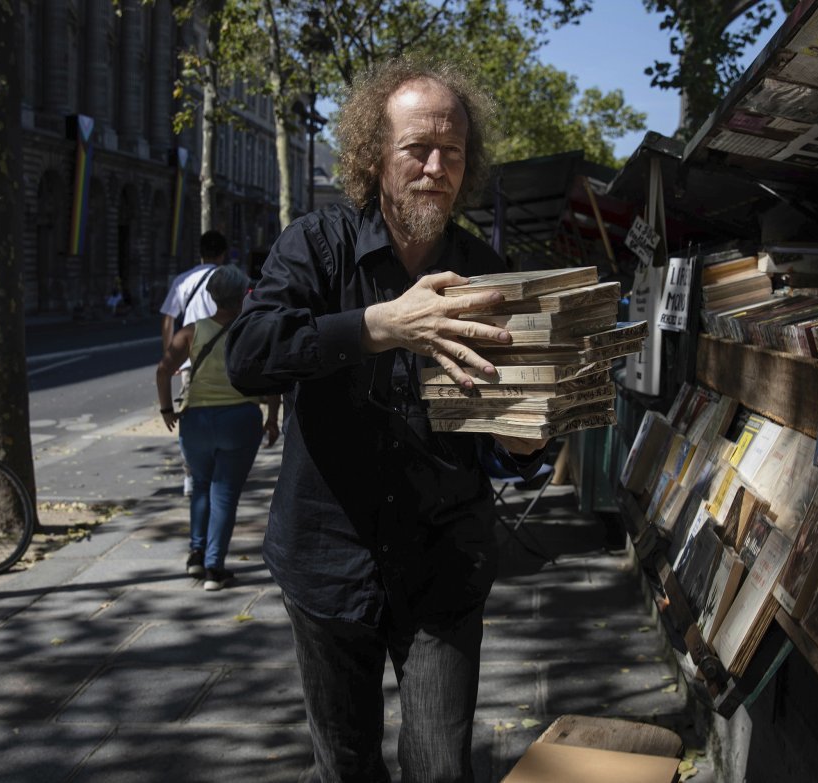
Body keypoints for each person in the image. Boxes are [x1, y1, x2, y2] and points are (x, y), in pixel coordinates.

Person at [224, 56, 549, 782]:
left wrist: (525, 443)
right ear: (374, 155)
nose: (437, 167)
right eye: (417, 149)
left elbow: (517, 430)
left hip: (444, 565)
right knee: (346, 766)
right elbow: (247, 355)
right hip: (327, 563)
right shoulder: (317, 244)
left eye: (454, 153)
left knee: (439, 768)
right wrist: (378, 323)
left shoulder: (487, 270)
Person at [156, 265, 280, 591]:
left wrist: (167, 409)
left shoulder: (190, 332)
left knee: (200, 486)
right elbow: (270, 378)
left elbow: (163, 369)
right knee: (224, 494)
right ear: (243, 295)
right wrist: (272, 417)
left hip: (195, 420)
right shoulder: (253, 331)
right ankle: (214, 567)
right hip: (240, 419)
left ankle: (195, 554)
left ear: (211, 295)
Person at [159, 229, 230, 496]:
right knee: (227, 411)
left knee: (191, 416)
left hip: (191, 360)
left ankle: (191, 473)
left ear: (200, 253)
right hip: (225, 359)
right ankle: (221, 471)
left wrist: (171, 353)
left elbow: (168, 318)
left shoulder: (183, 280)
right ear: (223, 254)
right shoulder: (229, 279)